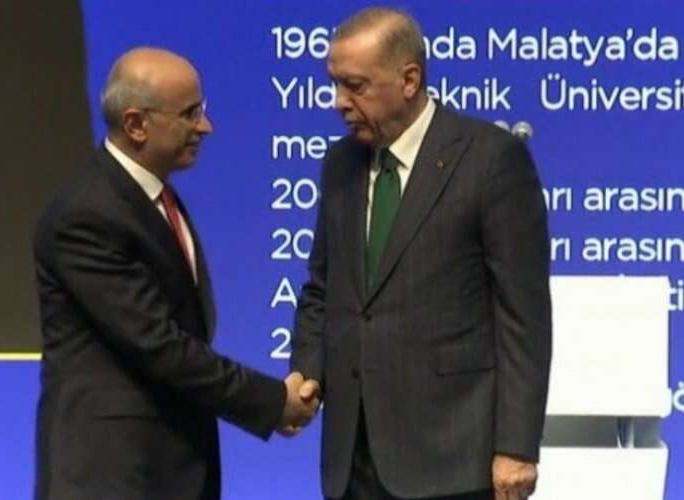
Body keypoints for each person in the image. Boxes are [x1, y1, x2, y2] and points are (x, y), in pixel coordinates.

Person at [289, 8, 552, 500]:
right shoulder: (340, 162)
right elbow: (324, 287)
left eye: (354, 86)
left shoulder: (491, 158)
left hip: (453, 455)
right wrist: (307, 372)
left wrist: (517, 446)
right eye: (335, 84)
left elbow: (524, 317)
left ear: (409, 80)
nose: (339, 102)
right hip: (354, 457)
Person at [33, 47, 318, 500]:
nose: (206, 127)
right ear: (136, 124)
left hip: (166, 467)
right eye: (189, 114)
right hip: (112, 474)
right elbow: (158, 345)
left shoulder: (146, 197)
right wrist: (272, 402)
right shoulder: (87, 213)